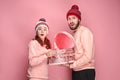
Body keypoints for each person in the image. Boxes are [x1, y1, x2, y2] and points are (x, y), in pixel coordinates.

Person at [65, 5, 96, 80]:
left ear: (79, 19)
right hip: (76, 71)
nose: (71, 21)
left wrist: (73, 65)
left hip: (85, 72)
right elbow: (76, 53)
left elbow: (88, 56)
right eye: (69, 19)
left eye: (73, 18)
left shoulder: (85, 32)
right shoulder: (74, 34)